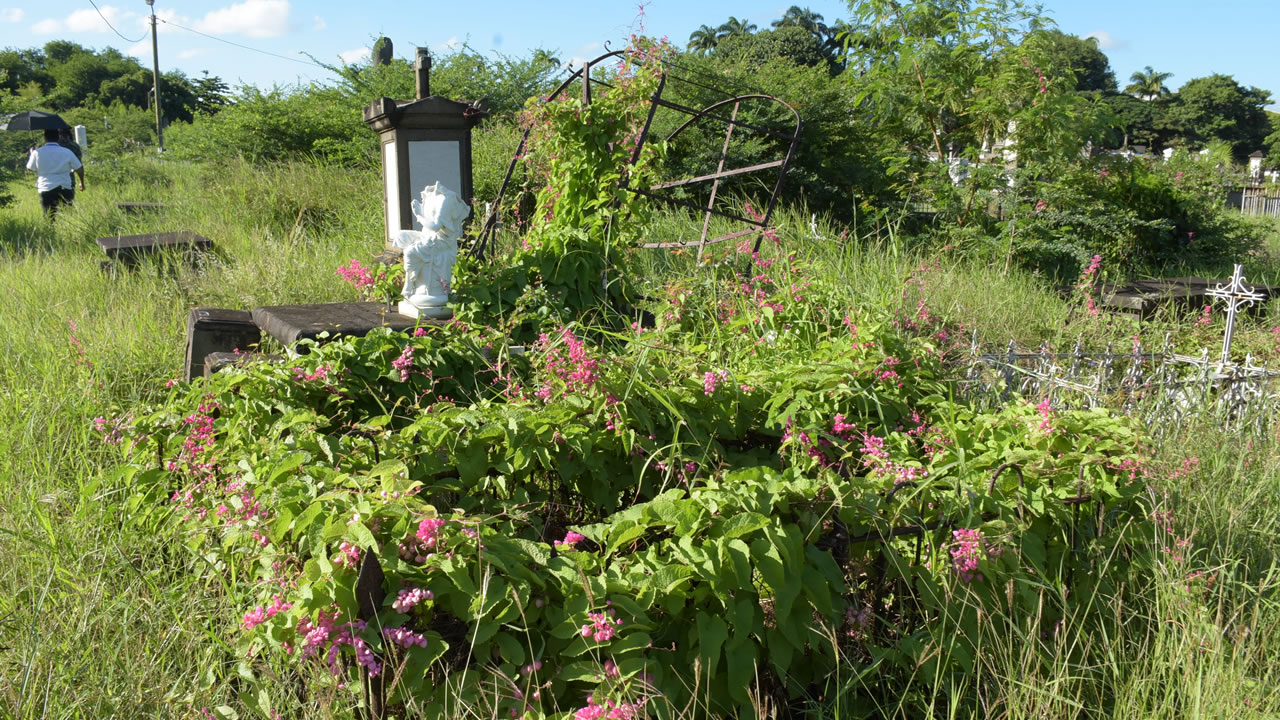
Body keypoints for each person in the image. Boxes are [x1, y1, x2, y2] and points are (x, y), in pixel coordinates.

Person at [26, 128, 83, 219]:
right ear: (57, 137)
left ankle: (51, 231)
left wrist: (32, 153)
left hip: (46, 187)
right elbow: (79, 168)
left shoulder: (37, 152)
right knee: (68, 214)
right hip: (65, 186)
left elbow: (30, 169)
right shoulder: (67, 151)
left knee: (49, 215)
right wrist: (82, 183)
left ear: (45, 138)